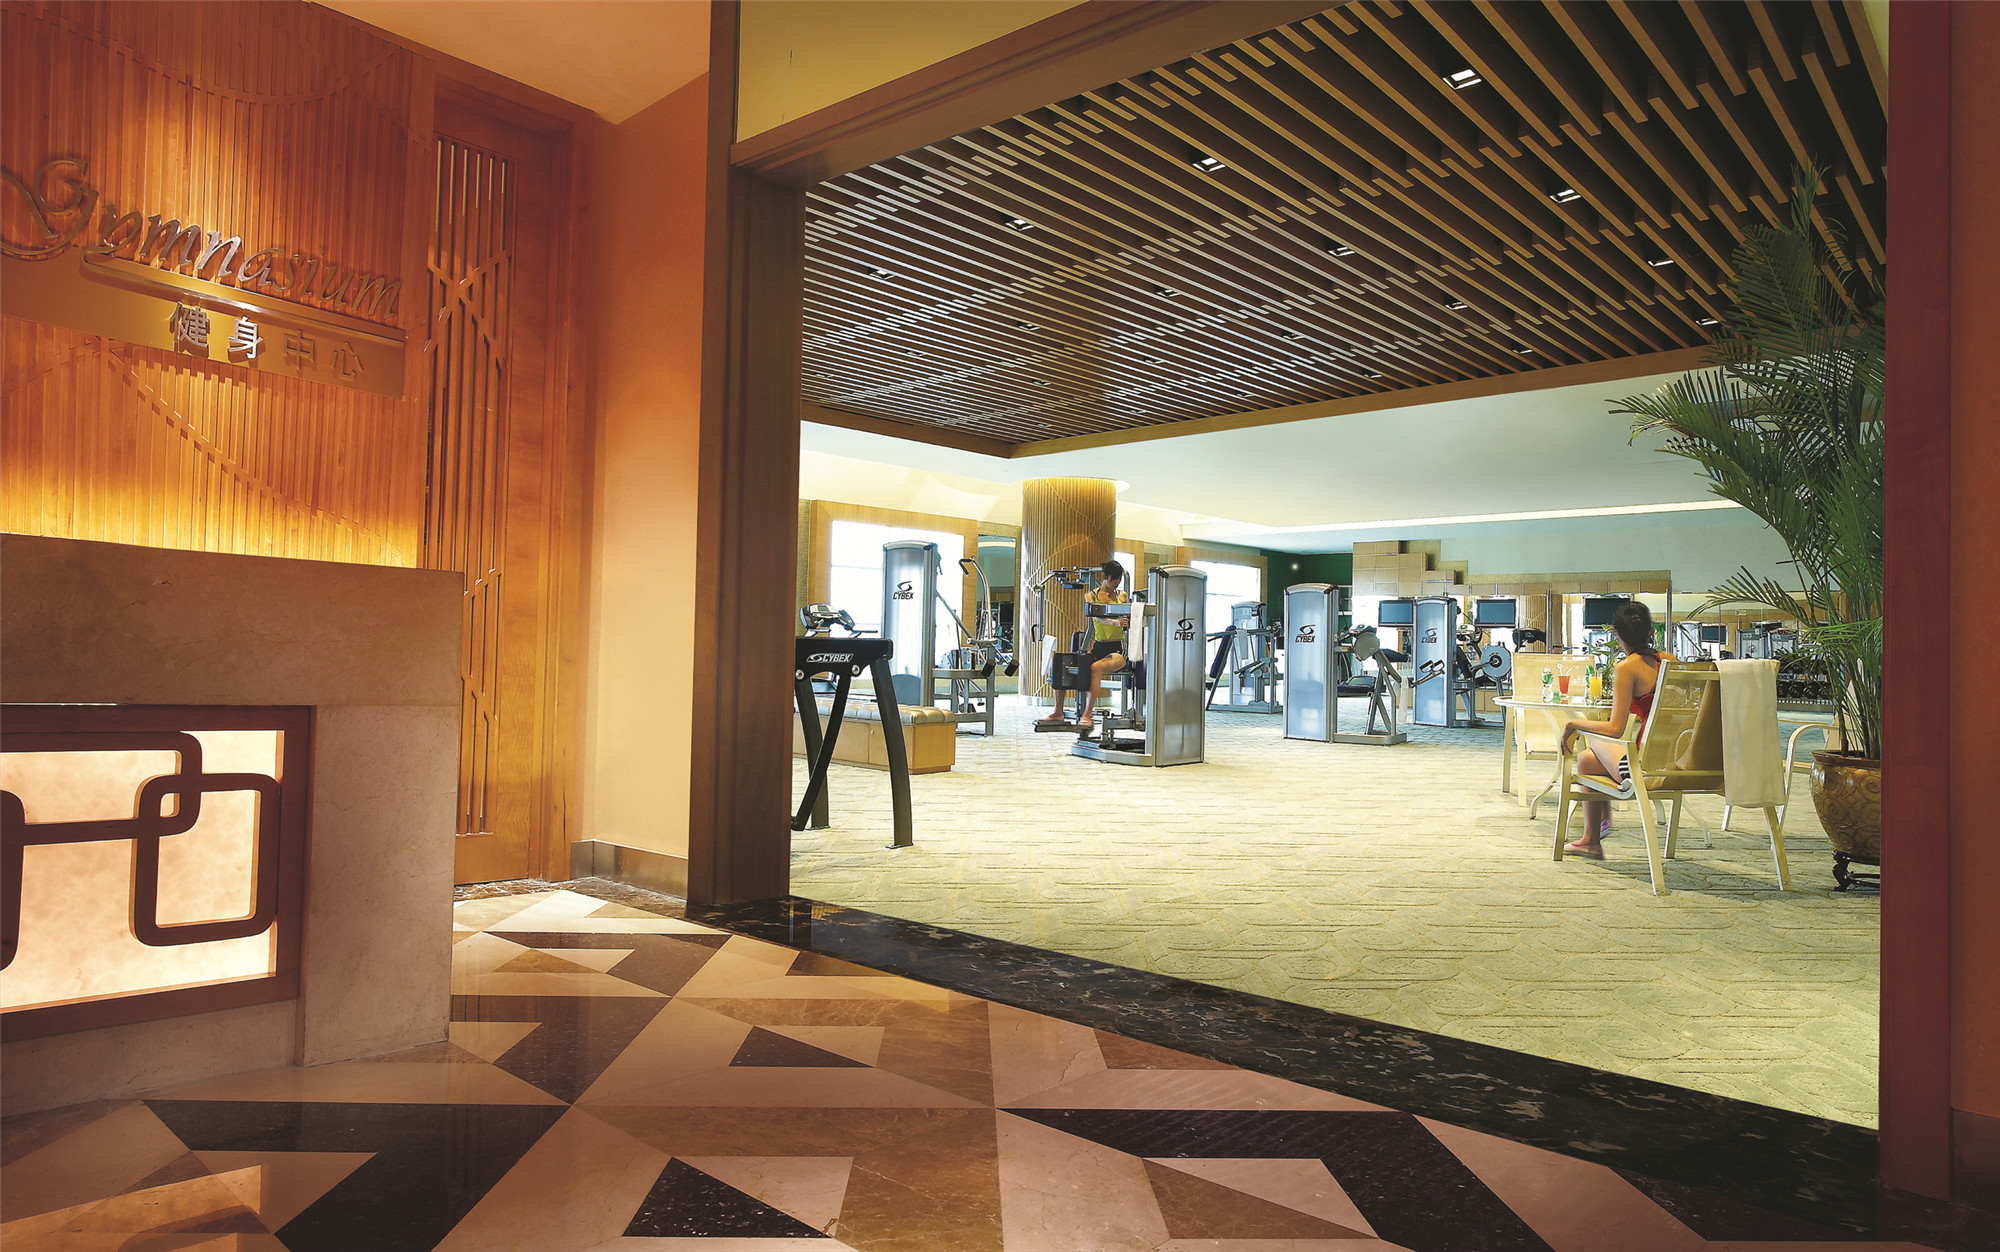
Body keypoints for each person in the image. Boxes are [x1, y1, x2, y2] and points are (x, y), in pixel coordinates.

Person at [1557, 601, 1674, 859]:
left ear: (1616, 634)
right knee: (1587, 760)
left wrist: (1574, 724)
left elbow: (1615, 729)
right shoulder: (1670, 661)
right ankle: (1591, 840)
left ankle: (1597, 829)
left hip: (1642, 769)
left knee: (1593, 741)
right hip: (1673, 761)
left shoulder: (1627, 668)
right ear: (1651, 631)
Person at [1037, 560, 1129, 733]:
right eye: (1114, 579)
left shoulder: (1122, 596)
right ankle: (1058, 712)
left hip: (1118, 649)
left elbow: (1130, 617)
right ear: (1105, 576)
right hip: (1098, 647)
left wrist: (1124, 622)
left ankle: (1087, 716)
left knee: (1095, 667)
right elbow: (1097, 617)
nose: (1116, 582)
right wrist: (1115, 622)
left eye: (1119, 579)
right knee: (1060, 661)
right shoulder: (1091, 596)